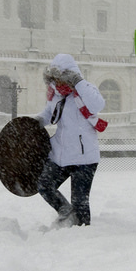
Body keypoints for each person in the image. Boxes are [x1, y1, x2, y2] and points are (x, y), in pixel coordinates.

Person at [35, 52, 104, 226]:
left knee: (80, 202)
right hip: (61, 155)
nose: (57, 82)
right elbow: (47, 115)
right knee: (44, 185)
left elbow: (97, 105)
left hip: (84, 158)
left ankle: (82, 233)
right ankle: (65, 211)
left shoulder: (85, 90)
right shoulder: (55, 96)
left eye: (60, 78)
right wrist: (33, 123)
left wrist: (78, 82)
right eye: (53, 78)